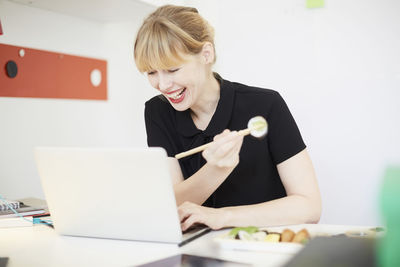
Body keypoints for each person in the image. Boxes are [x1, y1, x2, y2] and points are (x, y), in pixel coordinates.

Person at [134, 5, 321, 231]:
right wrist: (215, 170)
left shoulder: (266, 104)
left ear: (206, 54)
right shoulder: (157, 112)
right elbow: (169, 206)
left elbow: (309, 206)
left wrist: (222, 217)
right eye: (151, 73)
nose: (162, 85)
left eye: (172, 70)